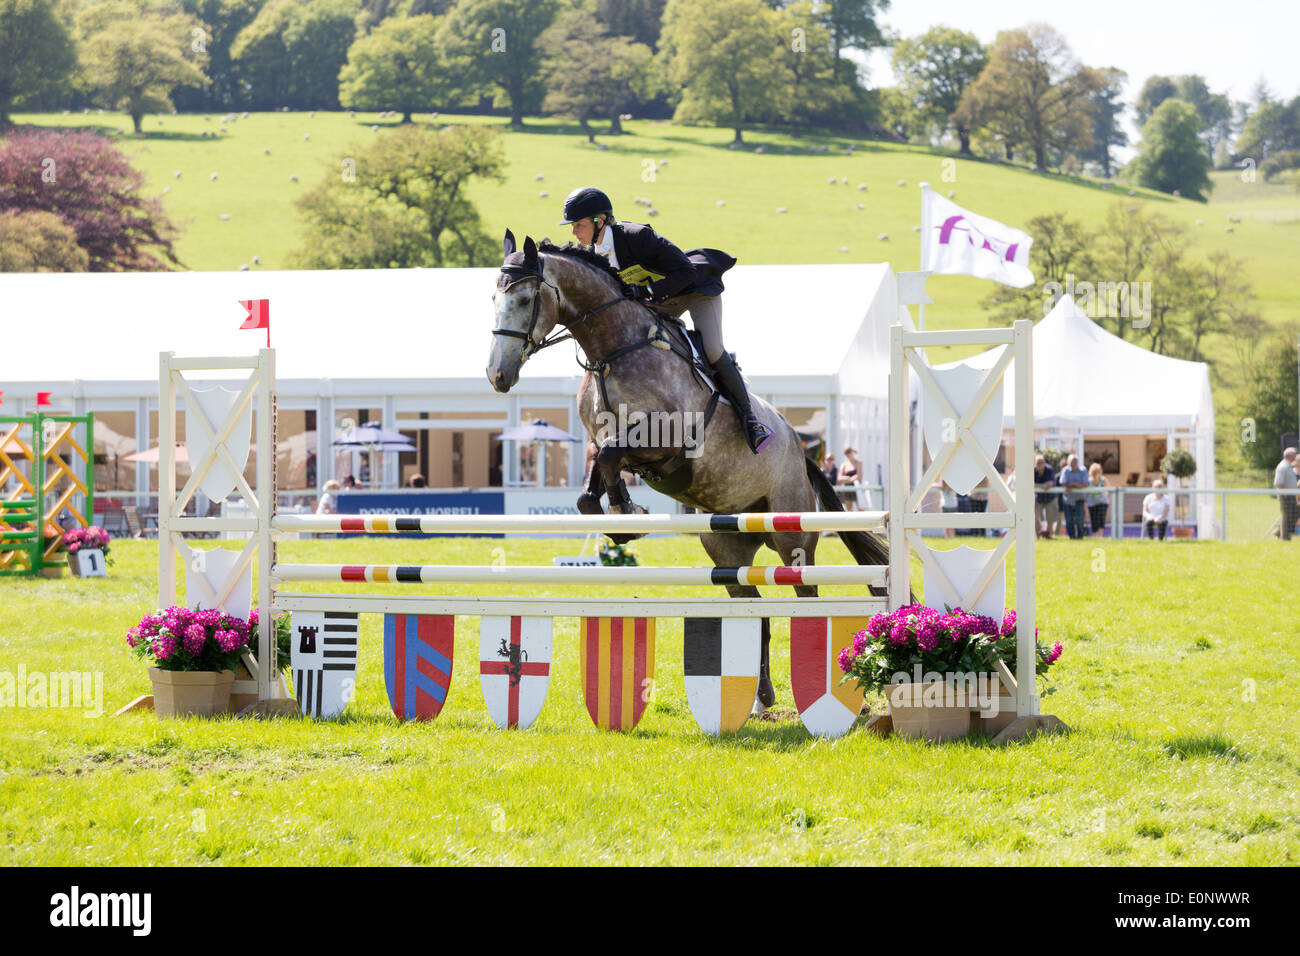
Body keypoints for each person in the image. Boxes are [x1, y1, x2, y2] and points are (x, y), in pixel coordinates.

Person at [559, 186, 773, 453]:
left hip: (693, 290)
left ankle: (750, 420)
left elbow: (686, 270)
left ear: (599, 221)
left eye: (578, 225)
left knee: (713, 349)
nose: (574, 232)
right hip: (659, 305)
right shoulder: (594, 256)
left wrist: (647, 291)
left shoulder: (638, 237)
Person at [1058, 453, 1090, 540]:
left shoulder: (1083, 470)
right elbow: (1062, 482)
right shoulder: (1065, 470)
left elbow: (1086, 483)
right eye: (1072, 461)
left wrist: (1071, 485)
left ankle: (1080, 537)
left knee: (1079, 520)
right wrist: (1076, 485)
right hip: (1068, 500)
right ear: (1068, 462)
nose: (1074, 463)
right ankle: (1072, 538)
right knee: (1069, 521)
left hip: (1079, 499)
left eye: (1075, 461)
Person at [1274, 447, 1298, 541]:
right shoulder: (1283, 467)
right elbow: (1278, 483)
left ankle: (1279, 532)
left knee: (1294, 514)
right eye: (1295, 455)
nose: (1296, 457)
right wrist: (1285, 493)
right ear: (1291, 456)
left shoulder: (1288, 466)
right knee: (1287, 516)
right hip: (1286, 496)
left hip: (1291, 495)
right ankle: (1284, 537)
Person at [1033, 454, 1057, 539]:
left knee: (1050, 518)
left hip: (1050, 498)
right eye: (1038, 463)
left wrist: (1038, 485)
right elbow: (1031, 484)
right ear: (1035, 464)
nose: (1040, 464)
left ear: (1045, 463)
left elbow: (1050, 484)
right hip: (1038, 498)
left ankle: (1048, 535)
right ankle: (1038, 535)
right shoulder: (1033, 471)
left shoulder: (1049, 470)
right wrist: (1043, 486)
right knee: (1036, 517)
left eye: (1041, 462)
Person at [1086, 462, 1109, 537]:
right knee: (1094, 520)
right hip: (1091, 503)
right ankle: (1095, 536)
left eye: (1097, 472)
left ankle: (1100, 536)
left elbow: (1109, 490)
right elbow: (1086, 493)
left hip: (1102, 502)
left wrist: (1106, 498)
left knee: (1101, 518)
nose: (1095, 473)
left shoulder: (1104, 480)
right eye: (1094, 472)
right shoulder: (1088, 481)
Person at [836, 446, 862, 511]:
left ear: (852, 452)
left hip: (856, 489)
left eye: (848, 452)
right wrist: (849, 478)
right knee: (849, 510)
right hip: (847, 489)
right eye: (845, 453)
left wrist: (848, 479)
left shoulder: (858, 463)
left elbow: (858, 476)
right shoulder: (844, 464)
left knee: (859, 509)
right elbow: (839, 478)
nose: (847, 454)